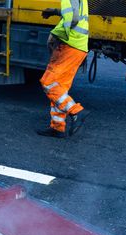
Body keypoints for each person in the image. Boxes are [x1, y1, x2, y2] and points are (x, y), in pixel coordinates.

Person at [39, 0, 89, 138]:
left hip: (69, 45)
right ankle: (57, 127)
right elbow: (74, 12)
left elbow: (73, 18)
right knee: (59, 87)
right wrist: (56, 11)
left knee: (48, 83)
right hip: (78, 46)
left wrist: (54, 35)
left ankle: (76, 111)